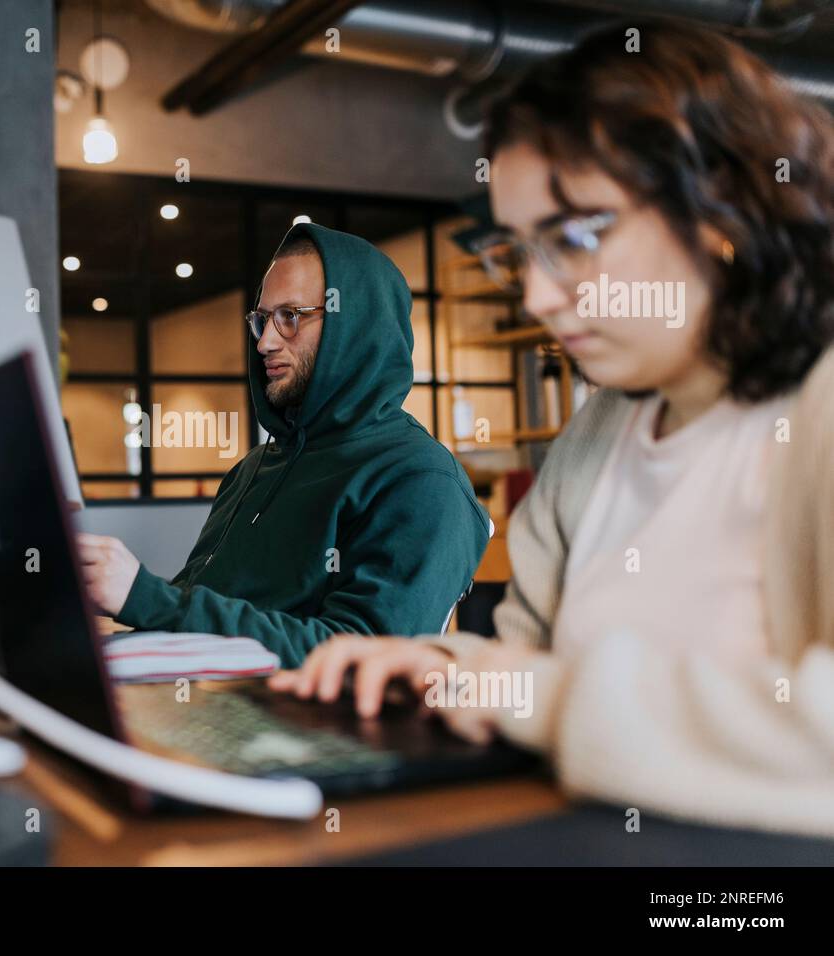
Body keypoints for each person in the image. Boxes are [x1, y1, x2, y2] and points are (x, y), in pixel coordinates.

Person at [271, 21, 834, 836]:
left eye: (575, 236)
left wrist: (549, 697)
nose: (536, 296)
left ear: (724, 210)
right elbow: (526, 671)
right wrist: (436, 667)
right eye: (522, 250)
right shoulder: (601, 431)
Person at [78, 223, 490, 667]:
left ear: (355, 326)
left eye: (291, 316)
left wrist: (145, 598)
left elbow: (364, 661)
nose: (265, 342)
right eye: (262, 319)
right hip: (202, 704)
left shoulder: (421, 480)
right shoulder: (254, 468)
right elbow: (200, 609)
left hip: (296, 732)